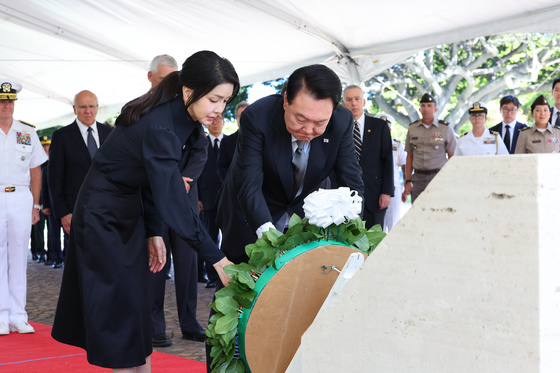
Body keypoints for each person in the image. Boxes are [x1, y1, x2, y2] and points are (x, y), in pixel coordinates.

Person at [51, 50, 237, 372]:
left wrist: (153, 231)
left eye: (225, 102)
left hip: (128, 207)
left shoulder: (186, 119)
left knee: (136, 301)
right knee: (119, 306)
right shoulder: (161, 125)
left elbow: (152, 183)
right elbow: (172, 200)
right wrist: (217, 258)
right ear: (190, 91)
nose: (219, 110)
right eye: (214, 99)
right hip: (101, 213)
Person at [145, 54, 211, 348]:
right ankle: (154, 325)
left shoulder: (190, 108)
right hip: (154, 200)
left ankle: (189, 322)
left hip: (184, 196)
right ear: (151, 78)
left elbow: (201, 150)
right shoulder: (143, 110)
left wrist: (184, 179)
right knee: (156, 264)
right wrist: (169, 182)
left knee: (187, 264)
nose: (172, 84)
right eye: (164, 78)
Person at [0, 79, 48, 335]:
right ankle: (0, 315)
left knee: (19, 256)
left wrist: (36, 205)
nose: (6, 105)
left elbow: (36, 170)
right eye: (2, 100)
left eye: (10, 100)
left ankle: (19, 315)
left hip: (20, 197)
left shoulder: (26, 132)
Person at [48, 90, 113, 257]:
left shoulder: (110, 134)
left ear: (97, 107)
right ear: (74, 109)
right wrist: (63, 213)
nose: (88, 111)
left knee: (106, 259)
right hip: (75, 212)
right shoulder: (61, 136)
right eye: (82, 107)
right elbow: (54, 178)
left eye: (91, 106)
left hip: (107, 211)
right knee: (78, 262)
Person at [339, 85, 393, 229]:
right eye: (349, 100)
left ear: (364, 101)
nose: (353, 103)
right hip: (345, 196)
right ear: (344, 104)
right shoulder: (338, 128)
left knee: (374, 243)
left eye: (357, 99)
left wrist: (386, 192)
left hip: (375, 196)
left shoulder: (380, 126)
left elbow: (387, 161)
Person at [402, 93, 456, 203]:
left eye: (429, 106)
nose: (426, 109)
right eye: (423, 106)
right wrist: (408, 180)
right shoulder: (412, 128)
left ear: (435, 109)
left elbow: (452, 156)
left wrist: (451, 179)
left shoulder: (445, 128)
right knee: (417, 213)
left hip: (438, 177)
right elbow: (410, 156)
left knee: (438, 211)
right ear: (419, 109)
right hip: (418, 179)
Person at [198, 113, 225, 289]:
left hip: (228, 199)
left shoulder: (233, 142)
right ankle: (212, 276)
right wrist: (198, 197)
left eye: (219, 119)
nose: (215, 123)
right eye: (212, 120)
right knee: (209, 237)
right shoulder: (200, 143)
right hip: (206, 199)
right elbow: (196, 172)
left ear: (223, 122)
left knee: (230, 238)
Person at [374, 113, 406, 232]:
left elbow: (404, 165)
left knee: (394, 224)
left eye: (387, 126)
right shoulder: (370, 144)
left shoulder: (397, 145)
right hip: (375, 188)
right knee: (377, 226)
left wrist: (407, 186)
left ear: (390, 128)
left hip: (394, 188)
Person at [39, 136, 65, 268]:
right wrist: (45, 205)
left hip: (66, 205)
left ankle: (67, 256)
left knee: (68, 233)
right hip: (52, 205)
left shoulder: (66, 164)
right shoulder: (46, 168)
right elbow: (43, 188)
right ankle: (57, 257)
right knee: (53, 233)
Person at [217, 101, 248, 181]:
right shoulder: (226, 141)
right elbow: (221, 167)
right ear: (236, 118)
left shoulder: (261, 139)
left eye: (248, 115)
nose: (245, 118)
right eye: (241, 115)